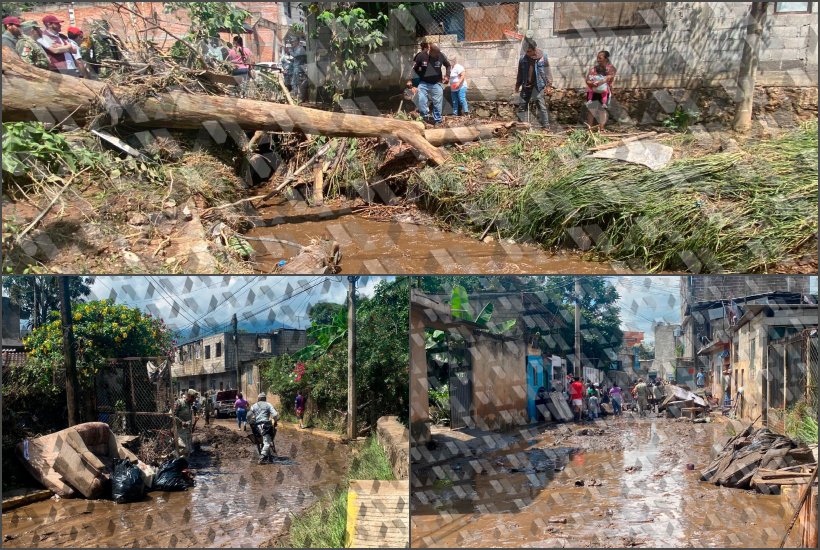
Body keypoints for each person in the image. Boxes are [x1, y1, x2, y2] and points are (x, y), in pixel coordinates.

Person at [515, 42, 553, 130]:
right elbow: (520, 73)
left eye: (529, 51)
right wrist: (517, 84)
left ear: (534, 50)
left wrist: (548, 85)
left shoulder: (543, 57)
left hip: (538, 86)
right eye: (526, 51)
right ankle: (520, 127)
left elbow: (548, 72)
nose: (527, 53)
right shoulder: (523, 59)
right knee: (522, 106)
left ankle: (546, 127)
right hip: (526, 86)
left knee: (541, 107)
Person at [413, 43, 451, 125]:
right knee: (421, 100)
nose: (437, 54)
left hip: (436, 83)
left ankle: (437, 120)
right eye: (435, 52)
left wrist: (447, 76)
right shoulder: (421, 56)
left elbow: (448, 65)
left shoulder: (441, 56)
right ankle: (424, 117)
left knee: (437, 102)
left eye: (438, 52)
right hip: (423, 83)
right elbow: (414, 69)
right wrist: (411, 80)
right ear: (430, 49)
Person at [585, 50, 616, 131]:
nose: (598, 60)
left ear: (606, 59)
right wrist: (591, 83)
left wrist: (599, 82)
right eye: (597, 58)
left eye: (600, 58)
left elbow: (609, 77)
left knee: (602, 110)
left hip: (604, 93)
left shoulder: (611, 69)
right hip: (593, 92)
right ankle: (589, 129)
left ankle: (601, 129)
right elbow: (587, 80)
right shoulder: (594, 69)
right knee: (591, 110)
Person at [249, 393, 280, 464]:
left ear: (258, 399)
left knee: (263, 440)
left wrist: (251, 422)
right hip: (266, 426)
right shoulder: (268, 405)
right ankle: (262, 457)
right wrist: (276, 420)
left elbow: (249, 415)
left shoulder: (254, 406)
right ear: (265, 399)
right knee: (267, 443)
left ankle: (264, 454)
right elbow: (275, 415)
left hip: (256, 428)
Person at [172, 389, 198, 458]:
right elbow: (171, 415)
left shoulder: (190, 405)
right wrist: (181, 422)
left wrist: (192, 427)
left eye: (195, 398)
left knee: (188, 451)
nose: (194, 399)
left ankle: (185, 467)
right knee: (182, 450)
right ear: (189, 396)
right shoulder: (179, 402)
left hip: (187, 433)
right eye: (193, 397)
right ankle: (179, 465)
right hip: (180, 432)